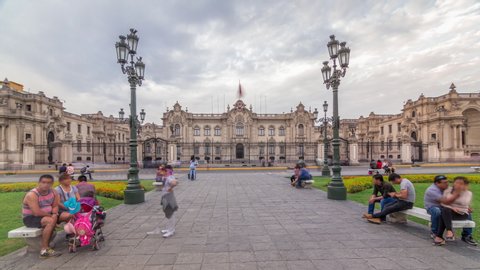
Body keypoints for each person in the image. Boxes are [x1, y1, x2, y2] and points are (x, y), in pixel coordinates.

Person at [22, 175, 69, 258]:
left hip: (49, 214)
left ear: (52, 184)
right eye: (43, 182)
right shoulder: (32, 194)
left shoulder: (53, 192)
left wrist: (54, 214)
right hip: (31, 218)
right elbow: (36, 212)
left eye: (49, 183)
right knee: (50, 221)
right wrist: (52, 216)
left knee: (68, 215)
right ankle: (44, 250)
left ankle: (72, 237)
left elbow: (55, 206)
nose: (46, 185)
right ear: (39, 183)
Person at [425, 175, 476, 246]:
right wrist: (452, 207)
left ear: (464, 185)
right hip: (445, 210)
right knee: (443, 211)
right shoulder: (445, 190)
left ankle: (439, 237)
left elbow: (464, 203)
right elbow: (444, 203)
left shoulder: (467, 193)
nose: (457, 185)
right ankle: (448, 231)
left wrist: (458, 193)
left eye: (460, 183)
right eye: (456, 183)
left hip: (461, 213)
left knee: (443, 213)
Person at [148, 165, 178, 237]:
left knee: (170, 214)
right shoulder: (166, 177)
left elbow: (175, 182)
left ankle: (171, 231)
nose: (159, 171)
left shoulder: (169, 177)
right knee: (168, 214)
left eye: (160, 170)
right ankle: (169, 229)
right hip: (165, 196)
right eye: (158, 170)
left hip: (168, 197)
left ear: (165, 171)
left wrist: (171, 188)